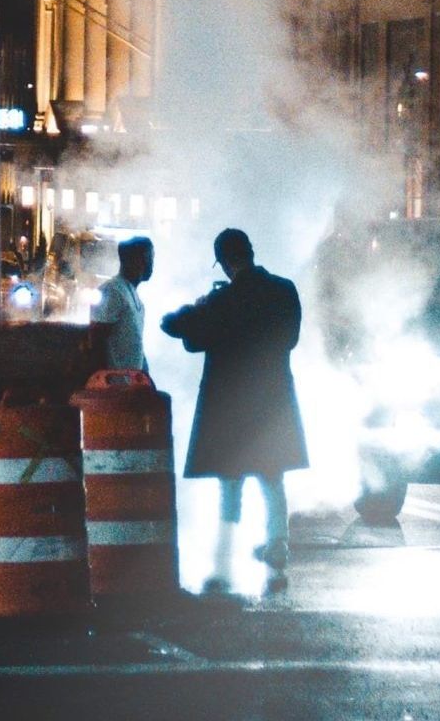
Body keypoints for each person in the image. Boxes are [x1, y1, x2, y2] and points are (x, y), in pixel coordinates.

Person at [160, 228, 307, 594]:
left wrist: (194, 308)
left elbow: (179, 332)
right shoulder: (284, 290)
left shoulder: (222, 301)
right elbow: (290, 339)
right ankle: (277, 549)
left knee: (231, 484)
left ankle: (224, 558)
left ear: (225, 262)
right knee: (273, 480)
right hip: (271, 402)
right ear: (252, 252)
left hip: (231, 404)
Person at [91, 235, 154, 372]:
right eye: (149, 258)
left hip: (130, 384)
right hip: (114, 386)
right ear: (137, 261)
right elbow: (96, 340)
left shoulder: (134, 297)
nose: (151, 264)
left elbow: (135, 346)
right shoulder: (113, 290)